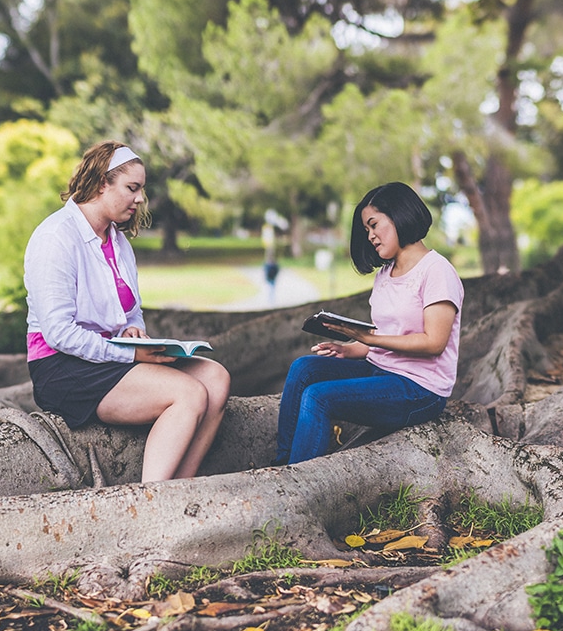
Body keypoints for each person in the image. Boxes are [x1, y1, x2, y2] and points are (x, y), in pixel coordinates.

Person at [25, 140, 231, 482]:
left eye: (142, 190)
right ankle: (152, 501)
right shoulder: (55, 237)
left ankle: (182, 488)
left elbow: (129, 311)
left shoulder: (116, 241)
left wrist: (132, 332)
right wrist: (132, 356)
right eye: (132, 188)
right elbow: (58, 333)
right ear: (101, 183)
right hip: (62, 368)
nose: (140, 199)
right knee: (187, 393)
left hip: (111, 356)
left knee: (215, 377)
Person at [276, 181, 463, 465]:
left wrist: (368, 339)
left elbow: (433, 343)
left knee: (318, 397)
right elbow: (387, 335)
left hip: (419, 390)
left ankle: (296, 480)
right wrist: (350, 348)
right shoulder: (385, 273)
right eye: (366, 230)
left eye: (374, 225)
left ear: (400, 214)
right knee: (303, 368)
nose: (371, 236)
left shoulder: (437, 271)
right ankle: (280, 464)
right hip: (380, 370)